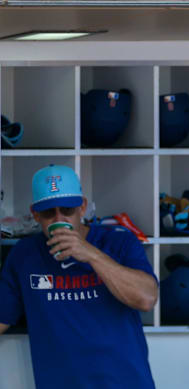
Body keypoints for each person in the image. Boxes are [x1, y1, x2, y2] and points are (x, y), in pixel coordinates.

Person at [0, 164, 158, 389]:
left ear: (82, 207)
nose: (58, 219)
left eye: (67, 210)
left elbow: (147, 298)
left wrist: (90, 254)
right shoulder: (25, 254)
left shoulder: (119, 242)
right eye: (48, 213)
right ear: (34, 213)